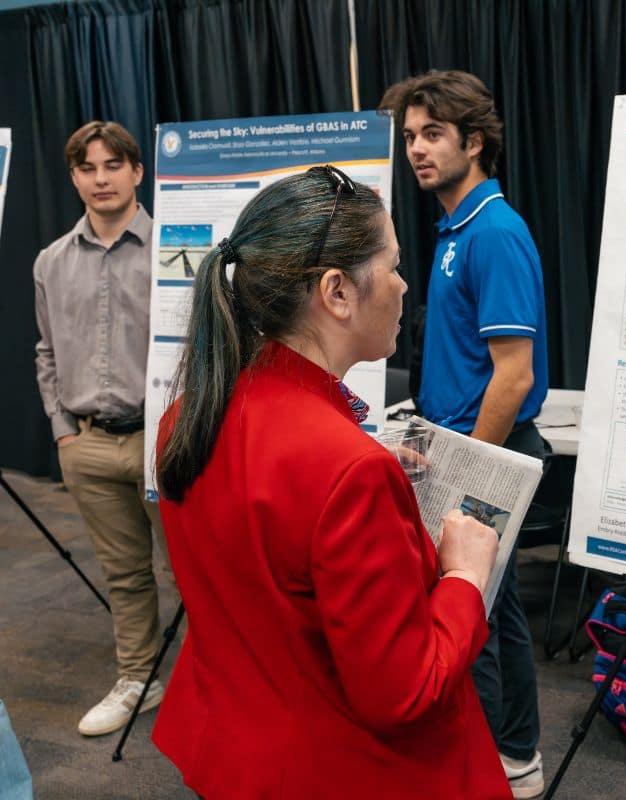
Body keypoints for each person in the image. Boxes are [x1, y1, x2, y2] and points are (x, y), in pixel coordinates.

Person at [152, 166, 509, 798]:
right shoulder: (346, 468)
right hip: (339, 768)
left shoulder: (190, 415)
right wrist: (464, 578)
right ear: (337, 291)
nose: (403, 286)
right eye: (394, 266)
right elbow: (408, 692)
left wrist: (365, 472)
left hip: (235, 750)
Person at [381, 70, 547, 798]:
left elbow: (513, 375)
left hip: (487, 452)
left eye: (433, 135)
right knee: (489, 607)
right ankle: (514, 756)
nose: (417, 149)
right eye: (411, 136)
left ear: (473, 142)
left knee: (466, 614)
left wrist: (468, 469)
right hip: (455, 443)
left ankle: (493, 765)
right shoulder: (457, 227)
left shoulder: (496, 232)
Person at [32, 120, 174, 736]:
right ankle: (139, 677)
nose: (100, 179)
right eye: (87, 169)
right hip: (88, 444)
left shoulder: (176, 244)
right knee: (124, 573)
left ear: (137, 172)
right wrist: (64, 431)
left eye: (113, 165)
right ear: (74, 178)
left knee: (198, 571)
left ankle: (222, 678)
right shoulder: (50, 261)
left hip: (162, 442)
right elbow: (46, 351)